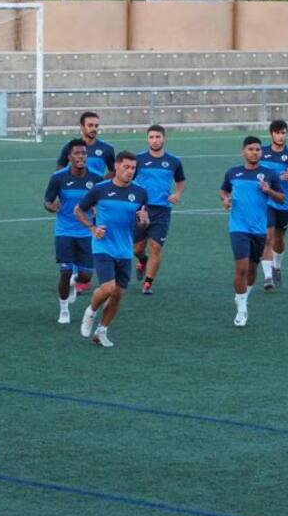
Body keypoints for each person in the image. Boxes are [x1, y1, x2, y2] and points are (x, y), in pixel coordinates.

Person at [73, 151, 150, 348]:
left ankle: (102, 332)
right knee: (108, 288)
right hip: (103, 246)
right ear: (116, 166)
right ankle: (90, 311)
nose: (130, 171)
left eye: (133, 168)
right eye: (126, 167)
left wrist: (144, 221)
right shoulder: (100, 189)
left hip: (124, 249)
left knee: (118, 295)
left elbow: (142, 222)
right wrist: (92, 228)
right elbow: (78, 210)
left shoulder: (140, 193)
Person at [219, 136, 286, 327]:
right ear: (243, 152)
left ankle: (243, 297)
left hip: (259, 229)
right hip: (238, 228)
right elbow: (223, 191)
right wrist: (225, 199)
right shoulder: (233, 173)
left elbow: (281, 198)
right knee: (241, 267)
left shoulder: (269, 174)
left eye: (257, 149)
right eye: (251, 149)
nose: (254, 152)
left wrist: (269, 191)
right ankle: (241, 309)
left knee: (252, 269)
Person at [44, 139, 103, 324]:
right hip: (64, 231)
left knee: (86, 276)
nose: (81, 157)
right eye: (77, 153)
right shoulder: (58, 178)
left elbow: (103, 200)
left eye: (84, 153)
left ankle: (75, 280)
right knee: (64, 270)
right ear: (69, 157)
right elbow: (47, 201)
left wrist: (97, 208)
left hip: (86, 232)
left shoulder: (96, 178)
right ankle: (64, 310)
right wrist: (52, 207)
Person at [132, 124, 186, 295]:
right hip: (141, 209)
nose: (155, 141)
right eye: (151, 137)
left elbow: (181, 182)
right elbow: (128, 180)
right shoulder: (138, 160)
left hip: (162, 210)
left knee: (156, 246)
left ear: (164, 138)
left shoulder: (173, 161)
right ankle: (142, 260)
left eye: (158, 137)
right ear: (147, 139)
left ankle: (148, 283)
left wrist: (177, 194)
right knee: (137, 249)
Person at [258, 119, 288, 291]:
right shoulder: (261, 152)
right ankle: (268, 277)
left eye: (283, 133)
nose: (281, 136)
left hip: (284, 202)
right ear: (271, 134)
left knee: (279, 240)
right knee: (267, 238)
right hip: (266, 201)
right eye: (278, 133)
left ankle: (277, 266)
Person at [57, 111, 115, 178]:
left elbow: (113, 171)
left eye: (96, 126)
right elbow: (60, 166)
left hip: (96, 188)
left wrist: (101, 182)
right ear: (82, 127)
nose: (94, 128)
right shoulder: (70, 146)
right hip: (77, 187)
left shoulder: (107, 148)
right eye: (90, 125)